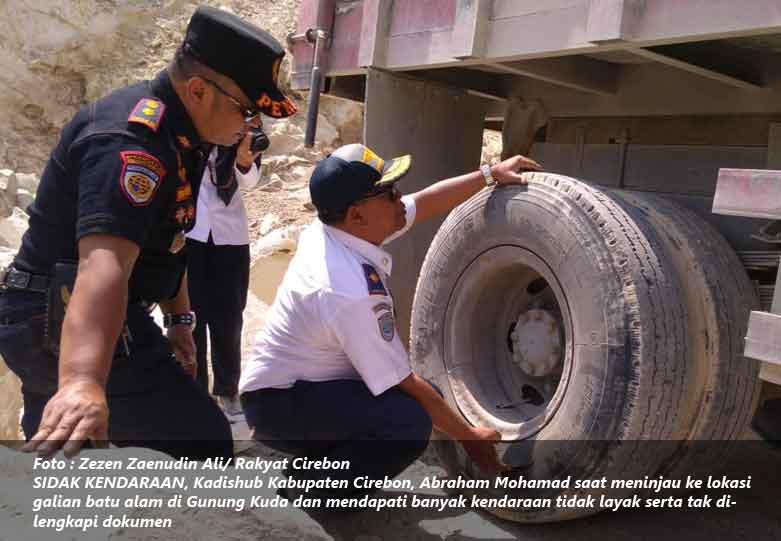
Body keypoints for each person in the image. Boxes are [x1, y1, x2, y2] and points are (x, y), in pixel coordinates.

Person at [0, 5, 296, 460]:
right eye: (246, 110)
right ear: (198, 90)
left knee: (68, 447)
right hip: (54, 315)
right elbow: (103, 266)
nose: (249, 125)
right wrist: (82, 380)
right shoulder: (132, 143)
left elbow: (170, 239)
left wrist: (180, 320)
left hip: (86, 314)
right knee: (203, 440)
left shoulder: (185, 136)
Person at [239, 143, 540, 499]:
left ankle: (313, 469)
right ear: (356, 215)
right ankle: (309, 495)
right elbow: (402, 380)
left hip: (302, 389)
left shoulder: (341, 229)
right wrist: (470, 439)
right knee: (407, 424)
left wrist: (489, 174)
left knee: (426, 402)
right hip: (279, 405)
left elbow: (425, 201)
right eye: (388, 193)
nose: (400, 198)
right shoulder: (344, 288)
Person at [186, 133, 263, 418]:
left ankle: (228, 391)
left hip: (230, 236)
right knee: (190, 317)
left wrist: (243, 160)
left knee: (229, 318)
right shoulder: (186, 132)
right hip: (189, 234)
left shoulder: (242, 133)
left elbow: (251, 181)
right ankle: (195, 394)